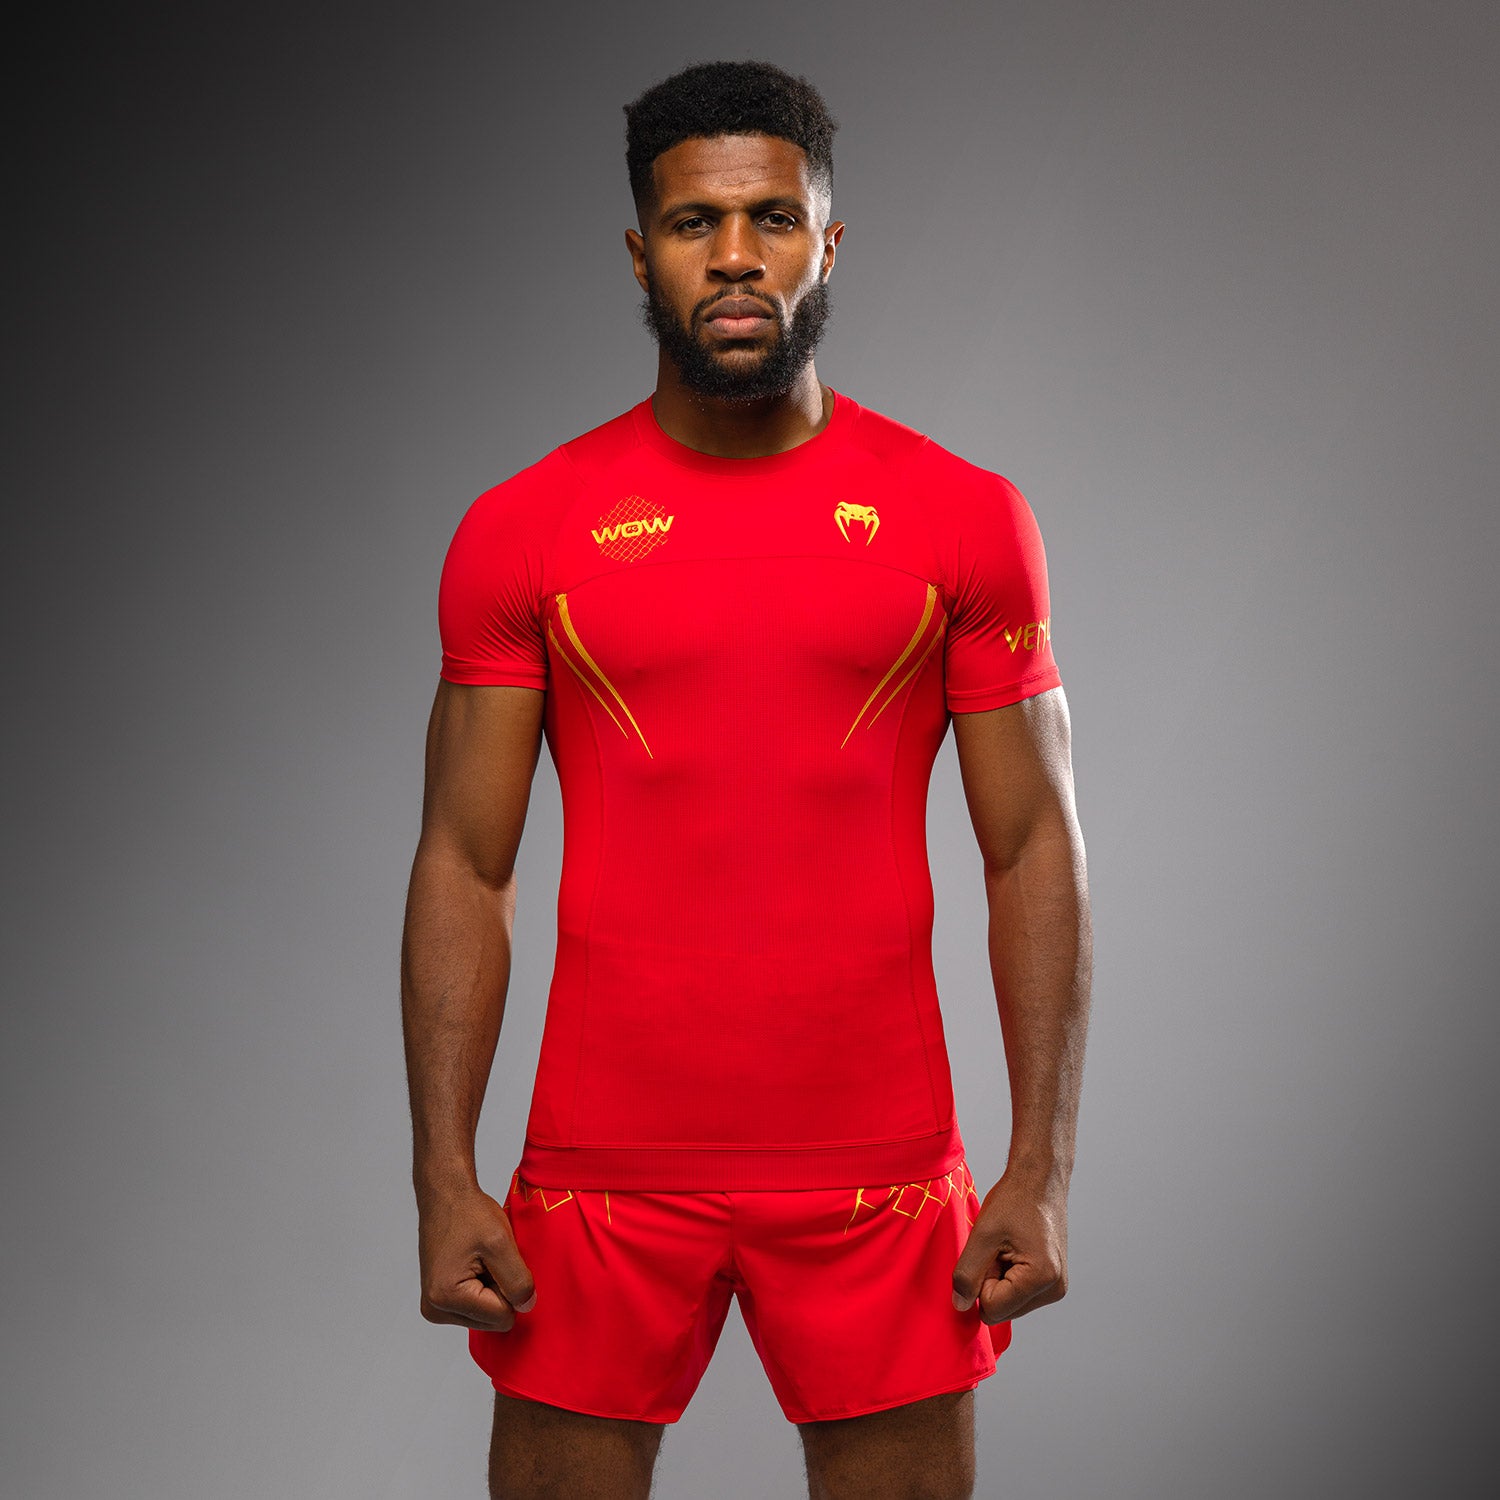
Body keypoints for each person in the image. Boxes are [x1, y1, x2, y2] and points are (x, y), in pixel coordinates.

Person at [400, 58, 1092, 1500]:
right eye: (693, 223)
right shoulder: (524, 530)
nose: (734, 256)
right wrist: (443, 1174)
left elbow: (1032, 848)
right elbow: (465, 862)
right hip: (601, 1167)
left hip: (877, 1163)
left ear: (827, 243)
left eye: (772, 218)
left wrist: (1039, 1166)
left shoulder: (964, 519)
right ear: (639, 251)